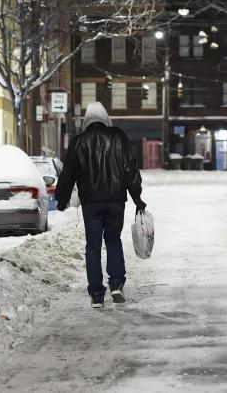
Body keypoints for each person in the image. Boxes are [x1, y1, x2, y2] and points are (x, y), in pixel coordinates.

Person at [56, 102, 146, 308]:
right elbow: (130, 169)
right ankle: (116, 284)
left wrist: (62, 198)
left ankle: (96, 294)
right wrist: (137, 197)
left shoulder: (78, 142)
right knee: (113, 240)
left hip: (91, 203)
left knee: (93, 246)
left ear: (86, 122)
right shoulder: (118, 137)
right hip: (116, 200)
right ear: (106, 120)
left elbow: (68, 173)